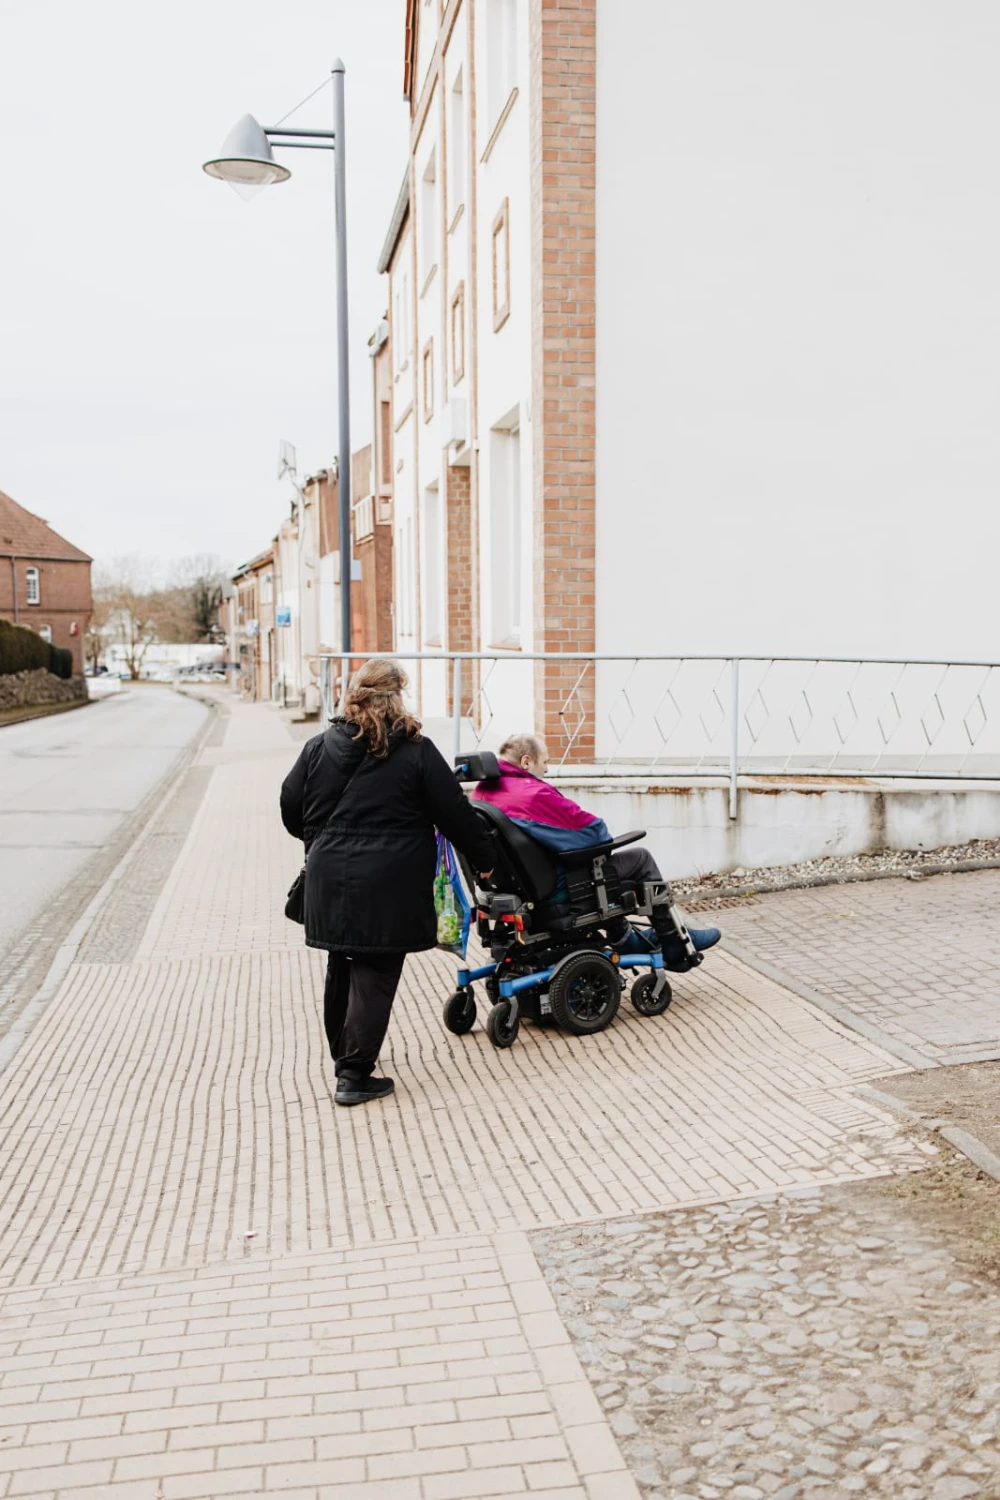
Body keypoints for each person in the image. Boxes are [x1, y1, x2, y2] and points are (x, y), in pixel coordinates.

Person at [280, 659, 495, 1107]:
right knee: (375, 972)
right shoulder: (415, 750)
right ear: (397, 696)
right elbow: (455, 813)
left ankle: (346, 1056)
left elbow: (289, 805)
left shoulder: (319, 746)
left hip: (329, 877)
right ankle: (354, 1075)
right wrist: (486, 862)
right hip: (389, 884)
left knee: (342, 963)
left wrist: (321, 841)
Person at [472, 732, 720, 965]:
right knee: (637, 860)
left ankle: (624, 937)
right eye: (545, 762)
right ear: (526, 761)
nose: (546, 769)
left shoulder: (482, 792)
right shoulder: (531, 794)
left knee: (600, 873)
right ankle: (674, 941)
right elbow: (595, 835)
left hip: (518, 889)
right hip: (556, 890)